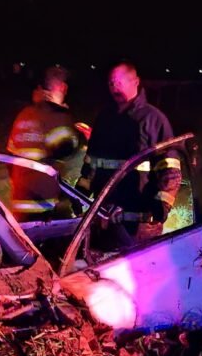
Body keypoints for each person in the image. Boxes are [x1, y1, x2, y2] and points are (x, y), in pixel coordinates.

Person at [77, 62, 181, 248]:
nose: (114, 88)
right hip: (105, 219)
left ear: (135, 82)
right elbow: (91, 162)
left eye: (118, 82)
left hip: (140, 226)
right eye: (110, 84)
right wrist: (81, 192)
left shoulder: (154, 120)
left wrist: (162, 205)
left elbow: (170, 169)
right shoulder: (104, 119)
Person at [5, 66, 83, 221]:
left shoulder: (24, 115)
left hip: (19, 202)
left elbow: (9, 157)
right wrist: (77, 132)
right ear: (62, 87)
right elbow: (67, 149)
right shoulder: (57, 116)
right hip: (44, 204)